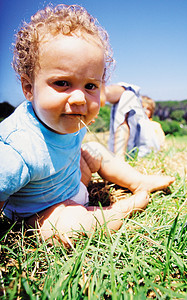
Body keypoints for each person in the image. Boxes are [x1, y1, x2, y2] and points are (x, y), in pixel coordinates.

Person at [0, 4, 174, 247]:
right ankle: (121, 210)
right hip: (42, 211)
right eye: (62, 83)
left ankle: (137, 181)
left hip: (70, 182)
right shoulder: (17, 148)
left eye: (90, 86)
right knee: (73, 227)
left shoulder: (72, 119)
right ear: (29, 88)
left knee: (95, 151)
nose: (80, 98)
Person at [101, 83, 165, 159]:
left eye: (147, 109)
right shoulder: (132, 119)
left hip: (145, 151)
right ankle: (103, 92)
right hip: (129, 149)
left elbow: (161, 142)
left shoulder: (154, 125)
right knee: (128, 96)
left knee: (129, 95)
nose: (144, 111)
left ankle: (103, 92)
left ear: (152, 111)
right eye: (142, 108)